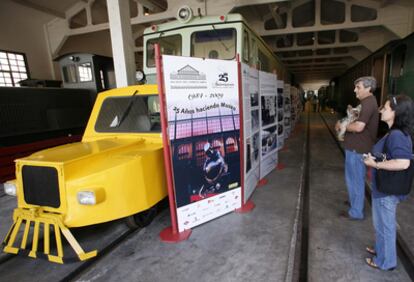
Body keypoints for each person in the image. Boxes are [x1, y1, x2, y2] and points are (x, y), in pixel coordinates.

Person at [363, 95, 414, 271]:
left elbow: (403, 162)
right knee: (381, 225)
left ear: (395, 112)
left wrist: (375, 164)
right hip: (382, 188)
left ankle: (386, 261)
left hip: (387, 192)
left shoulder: (398, 135)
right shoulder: (393, 132)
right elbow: (390, 155)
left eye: (385, 107)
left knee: (386, 226)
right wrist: (375, 158)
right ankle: (380, 249)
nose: (381, 110)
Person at [335, 76, 379, 220]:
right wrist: (344, 122)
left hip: (358, 149)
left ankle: (356, 212)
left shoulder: (367, 103)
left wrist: (343, 126)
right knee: (352, 178)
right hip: (355, 147)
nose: (355, 90)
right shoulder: (366, 102)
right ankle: (355, 203)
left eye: (358, 87)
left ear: (368, 88)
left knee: (355, 180)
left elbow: (359, 127)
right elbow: (355, 120)